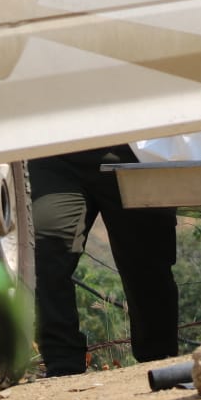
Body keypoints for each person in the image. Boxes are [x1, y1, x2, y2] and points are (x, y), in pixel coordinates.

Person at [28, 146, 178, 376]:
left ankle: (158, 358)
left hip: (133, 153)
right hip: (55, 151)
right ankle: (62, 365)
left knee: (147, 262)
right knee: (45, 247)